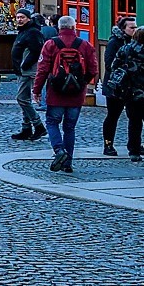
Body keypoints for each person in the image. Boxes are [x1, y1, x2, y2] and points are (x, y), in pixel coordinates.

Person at [32, 14, 99, 173]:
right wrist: (81, 82)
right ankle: (68, 162)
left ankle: (59, 151)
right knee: (70, 128)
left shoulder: (51, 44)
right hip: (76, 94)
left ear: (59, 28)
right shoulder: (85, 45)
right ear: (74, 28)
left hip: (56, 92)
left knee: (52, 122)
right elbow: (93, 69)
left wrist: (37, 90)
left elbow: (42, 70)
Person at [110, 25, 144, 163]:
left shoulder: (125, 49)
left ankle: (134, 151)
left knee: (134, 122)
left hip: (130, 92)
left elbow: (114, 66)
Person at [101, 17, 137, 156]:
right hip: (115, 86)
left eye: (135, 27)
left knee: (134, 116)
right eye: (131, 28)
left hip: (131, 86)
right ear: (123, 29)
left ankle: (134, 144)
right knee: (113, 116)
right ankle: (108, 144)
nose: (134, 30)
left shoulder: (135, 42)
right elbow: (109, 64)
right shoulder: (114, 43)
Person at [9, 9, 46, 140]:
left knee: (22, 99)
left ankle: (39, 125)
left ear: (28, 19)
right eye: (18, 17)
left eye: (22, 17)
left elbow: (36, 51)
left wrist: (24, 65)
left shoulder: (32, 32)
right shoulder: (24, 31)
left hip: (27, 70)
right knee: (25, 99)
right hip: (22, 70)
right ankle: (26, 128)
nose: (19, 19)